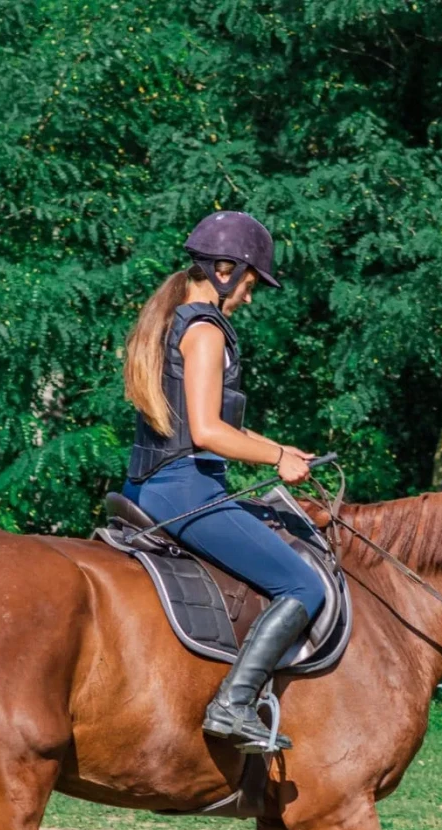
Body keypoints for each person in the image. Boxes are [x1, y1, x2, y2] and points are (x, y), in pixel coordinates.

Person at [122, 211, 326, 752]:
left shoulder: (174, 320)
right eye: (251, 284)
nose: (250, 298)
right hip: (185, 487)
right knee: (305, 584)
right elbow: (210, 433)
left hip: (153, 483)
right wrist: (275, 456)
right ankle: (233, 705)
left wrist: (280, 450)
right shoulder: (206, 331)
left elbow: (210, 423)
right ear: (225, 270)